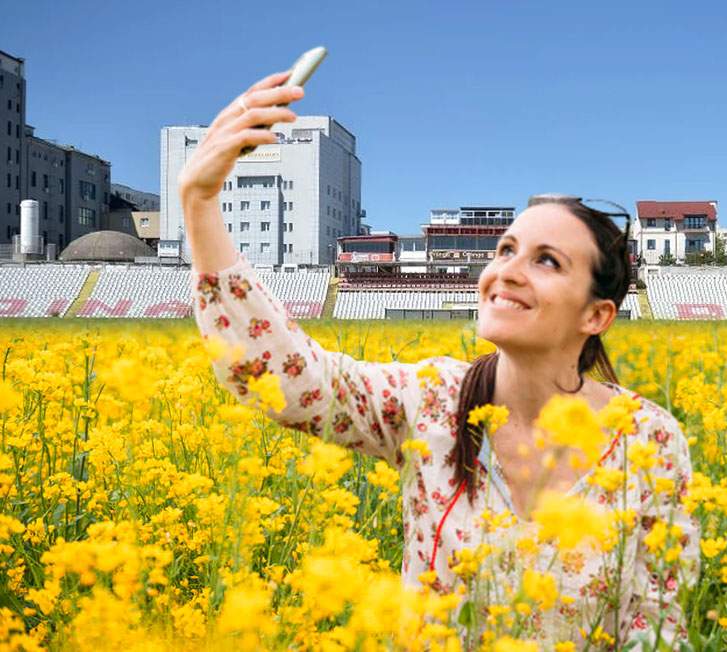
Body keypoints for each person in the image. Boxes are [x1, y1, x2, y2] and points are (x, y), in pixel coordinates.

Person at [180, 69, 700, 649]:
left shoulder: (648, 440)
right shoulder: (431, 402)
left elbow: (655, 623)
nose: (507, 270)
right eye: (506, 249)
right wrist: (199, 201)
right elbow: (286, 380)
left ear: (596, 316)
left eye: (547, 261)